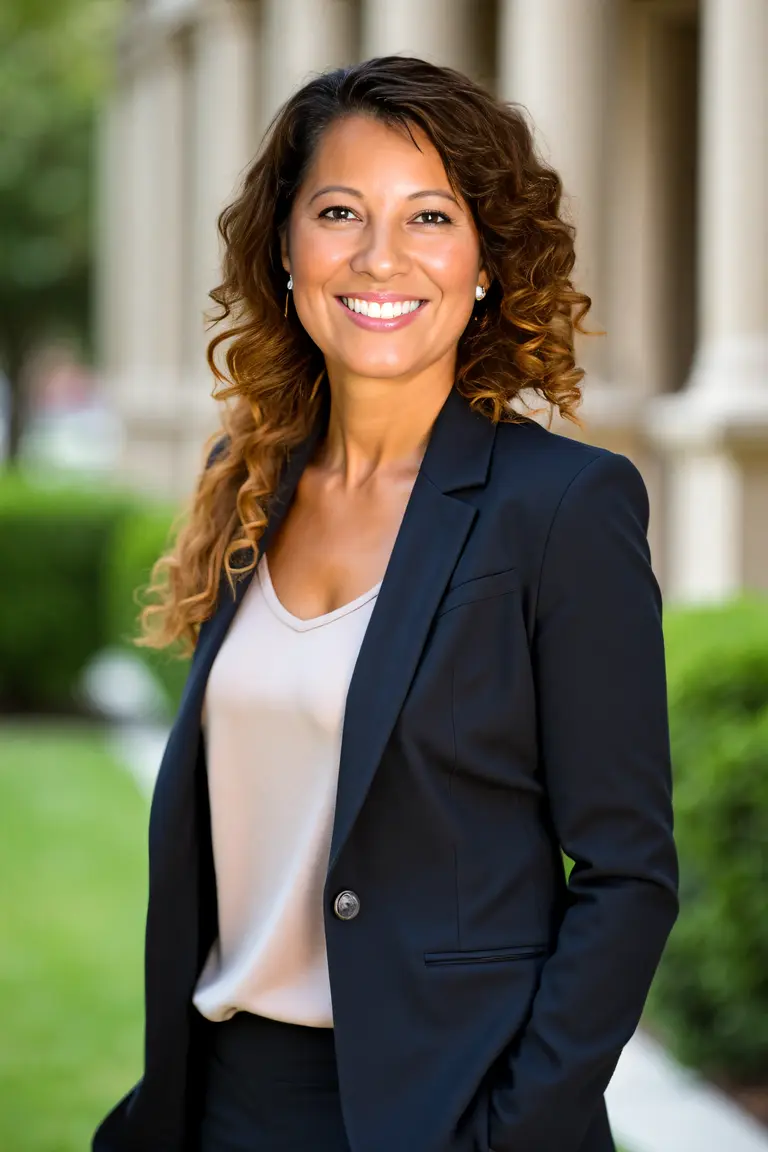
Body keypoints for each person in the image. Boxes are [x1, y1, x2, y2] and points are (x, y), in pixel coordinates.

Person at [93, 55, 679, 1152]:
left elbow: (628, 877)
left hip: (444, 1112)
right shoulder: (252, 474)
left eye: (430, 217)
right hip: (220, 1103)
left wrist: (511, 1132)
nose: (380, 256)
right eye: (339, 211)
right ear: (284, 247)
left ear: (488, 260)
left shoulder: (560, 510)